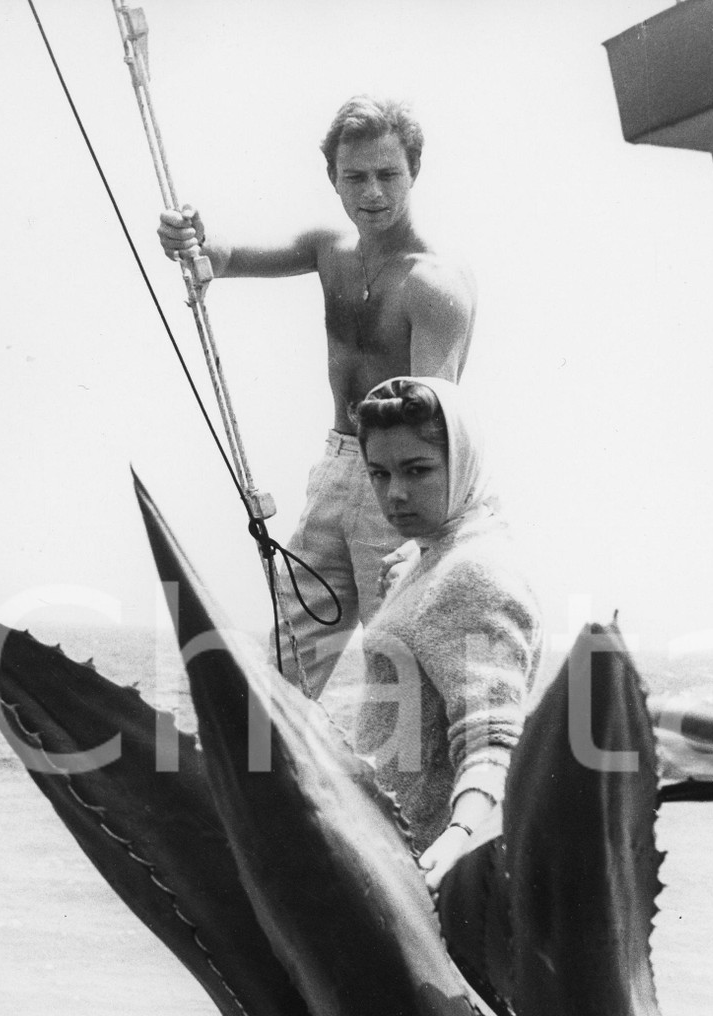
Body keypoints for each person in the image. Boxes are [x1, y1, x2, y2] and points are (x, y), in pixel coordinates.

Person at [157, 95, 477, 696]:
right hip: (336, 468)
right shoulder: (330, 250)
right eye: (356, 176)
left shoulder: (433, 284)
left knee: (401, 673)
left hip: (403, 480)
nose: (373, 192)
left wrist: (423, 534)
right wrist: (191, 241)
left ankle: (405, 786)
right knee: (287, 661)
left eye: (389, 175)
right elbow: (220, 259)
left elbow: (434, 425)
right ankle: (271, 778)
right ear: (332, 177)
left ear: (415, 172)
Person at [352, 376, 542, 895]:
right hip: (387, 859)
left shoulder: (474, 573)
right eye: (379, 473)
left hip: (421, 872)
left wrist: (458, 837)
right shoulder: (435, 555)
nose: (395, 494)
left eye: (418, 471)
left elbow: (490, 737)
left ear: (461, 465)